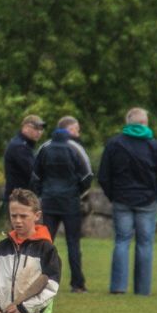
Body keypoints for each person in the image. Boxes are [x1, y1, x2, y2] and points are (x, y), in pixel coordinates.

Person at [96, 107, 157, 296]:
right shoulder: (154, 146)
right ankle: (142, 290)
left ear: (128, 122)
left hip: (122, 199)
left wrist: (112, 195)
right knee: (145, 244)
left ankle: (118, 287)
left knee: (122, 241)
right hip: (147, 200)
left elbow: (104, 175)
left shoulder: (115, 144)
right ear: (145, 123)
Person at [31, 116, 93, 293]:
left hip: (49, 200)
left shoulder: (45, 147)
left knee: (45, 241)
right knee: (73, 242)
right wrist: (77, 192)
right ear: (69, 130)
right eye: (77, 129)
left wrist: (43, 193)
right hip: (70, 202)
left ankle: (40, 279)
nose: (78, 133)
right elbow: (87, 175)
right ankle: (77, 284)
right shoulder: (75, 148)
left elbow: (35, 175)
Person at [3, 114, 46, 209]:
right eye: (36, 128)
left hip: (23, 197)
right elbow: (33, 172)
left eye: (41, 129)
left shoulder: (26, 145)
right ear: (26, 127)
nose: (39, 132)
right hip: (19, 199)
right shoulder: (19, 146)